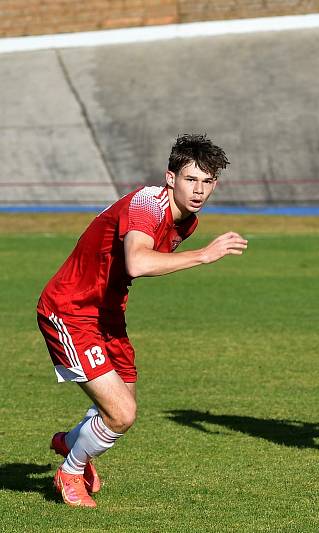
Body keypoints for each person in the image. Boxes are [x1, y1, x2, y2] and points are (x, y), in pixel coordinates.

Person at [37, 134, 248, 507]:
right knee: (121, 414)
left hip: (108, 315)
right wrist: (205, 255)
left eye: (207, 181)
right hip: (70, 310)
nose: (199, 190)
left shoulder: (187, 221)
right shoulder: (148, 204)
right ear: (170, 178)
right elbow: (138, 261)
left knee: (123, 402)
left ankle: (71, 442)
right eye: (190, 179)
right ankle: (69, 470)